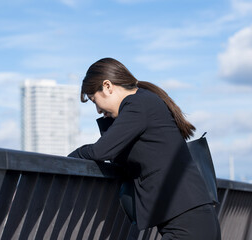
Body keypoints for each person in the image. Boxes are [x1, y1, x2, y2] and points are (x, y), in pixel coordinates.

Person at [68, 58, 221, 240]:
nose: (98, 110)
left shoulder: (137, 105)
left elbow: (100, 151)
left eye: (94, 100)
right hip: (189, 218)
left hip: (188, 223)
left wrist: (71, 158)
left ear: (107, 86)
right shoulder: (143, 102)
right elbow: (117, 152)